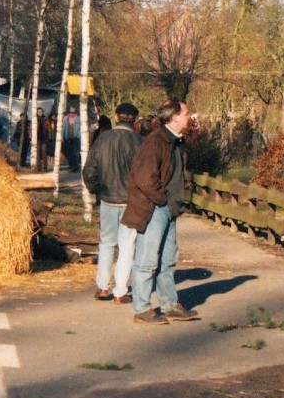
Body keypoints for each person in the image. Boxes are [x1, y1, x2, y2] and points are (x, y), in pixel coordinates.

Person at [121, 99, 199, 325]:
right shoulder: (156, 141)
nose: (189, 117)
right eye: (186, 113)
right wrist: (161, 200)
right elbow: (144, 177)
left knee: (168, 260)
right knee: (147, 261)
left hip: (169, 208)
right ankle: (142, 309)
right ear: (174, 117)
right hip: (155, 208)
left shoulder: (175, 141)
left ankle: (170, 305)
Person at [82, 102, 141, 304]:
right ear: (135, 120)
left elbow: (89, 170)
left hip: (107, 199)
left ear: (116, 116)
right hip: (130, 201)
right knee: (127, 246)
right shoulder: (139, 141)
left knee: (107, 243)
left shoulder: (103, 139)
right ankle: (120, 292)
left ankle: (102, 286)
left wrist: (96, 190)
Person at [61, 104, 82, 172]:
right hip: (67, 138)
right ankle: (71, 166)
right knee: (69, 152)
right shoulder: (65, 119)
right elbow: (62, 128)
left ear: (76, 112)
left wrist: (78, 136)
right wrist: (61, 136)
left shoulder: (78, 119)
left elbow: (81, 128)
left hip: (76, 138)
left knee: (75, 152)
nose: (72, 114)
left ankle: (76, 166)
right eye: (70, 112)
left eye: (73, 112)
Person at [35, 107, 52, 172]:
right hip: (37, 138)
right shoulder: (35, 119)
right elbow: (31, 128)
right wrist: (31, 137)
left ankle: (45, 167)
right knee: (37, 152)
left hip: (44, 138)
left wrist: (49, 136)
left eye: (40, 112)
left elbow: (49, 128)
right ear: (37, 112)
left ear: (42, 112)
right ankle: (38, 167)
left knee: (44, 152)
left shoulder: (45, 119)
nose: (39, 113)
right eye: (38, 112)